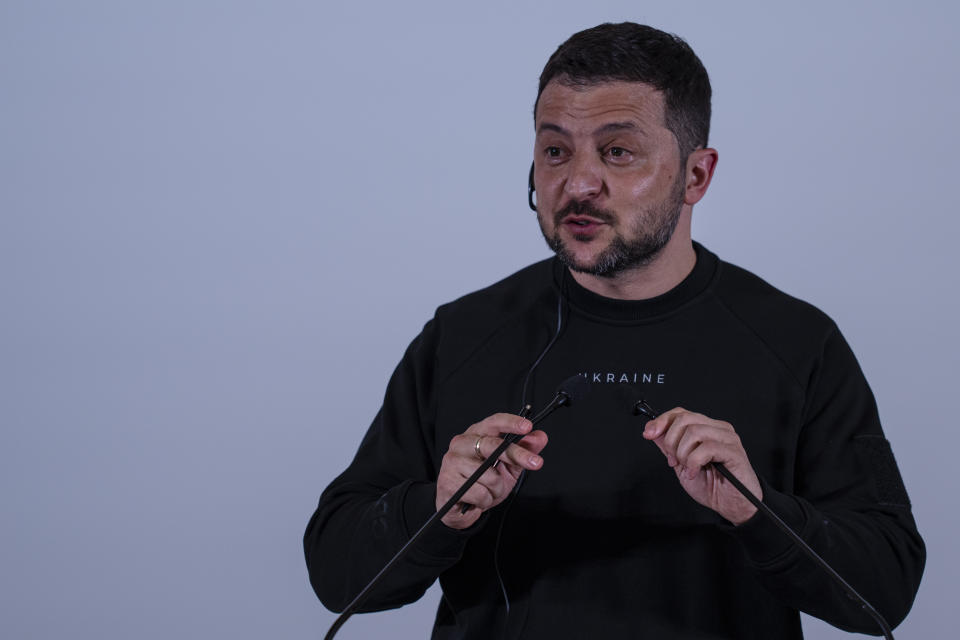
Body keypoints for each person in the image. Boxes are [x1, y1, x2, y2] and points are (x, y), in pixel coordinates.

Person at [304, 22, 924, 639]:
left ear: (696, 176)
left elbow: (889, 581)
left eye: (617, 151)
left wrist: (758, 512)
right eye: (555, 151)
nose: (577, 183)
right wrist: (436, 510)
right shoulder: (461, 336)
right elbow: (334, 566)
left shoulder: (802, 342)